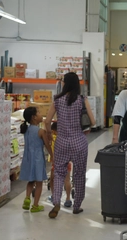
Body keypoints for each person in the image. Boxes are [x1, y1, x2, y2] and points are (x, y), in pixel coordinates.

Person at [44, 72, 95, 218]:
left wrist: (48, 134)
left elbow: (47, 121)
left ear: (64, 84)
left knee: (59, 173)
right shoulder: (81, 100)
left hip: (61, 141)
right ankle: (77, 206)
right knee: (79, 174)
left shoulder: (57, 100)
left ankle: (56, 203)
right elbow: (92, 121)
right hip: (79, 141)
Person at [20, 107, 53, 213]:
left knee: (31, 181)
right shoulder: (41, 131)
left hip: (28, 158)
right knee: (39, 183)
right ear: (34, 117)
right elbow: (47, 146)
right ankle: (35, 206)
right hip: (38, 159)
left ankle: (27, 198)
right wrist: (52, 155)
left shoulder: (26, 130)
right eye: (38, 113)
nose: (40, 114)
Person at [48, 121, 73, 208]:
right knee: (67, 180)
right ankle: (68, 199)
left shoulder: (53, 138)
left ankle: (54, 196)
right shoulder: (67, 138)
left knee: (52, 179)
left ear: (54, 131)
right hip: (67, 162)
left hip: (57, 162)